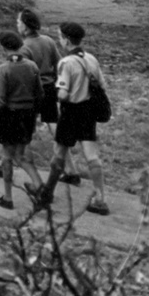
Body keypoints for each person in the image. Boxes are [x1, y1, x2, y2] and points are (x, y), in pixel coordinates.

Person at [35, 21, 110, 216]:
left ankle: (46, 194)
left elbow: (63, 95)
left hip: (70, 112)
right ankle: (100, 198)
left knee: (59, 153)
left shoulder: (66, 63)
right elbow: (102, 84)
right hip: (88, 112)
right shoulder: (91, 59)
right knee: (91, 155)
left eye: (59, 36)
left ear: (66, 40)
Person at [17, 8, 81, 184]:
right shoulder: (48, 41)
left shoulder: (24, 48)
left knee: (22, 128)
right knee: (54, 127)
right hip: (50, 87)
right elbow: (59, 62)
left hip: (34, 91)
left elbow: (25, 74)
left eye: (19, 22)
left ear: (26, 26)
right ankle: (71, 169)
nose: (17, 25)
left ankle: (10, 162)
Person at [0, 31, 44, 210]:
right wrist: (34, 115)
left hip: (9, 115)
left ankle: (7, 197)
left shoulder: (4, 69)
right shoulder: (32, 66)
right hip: (27, 115)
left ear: (3, 48)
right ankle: (39, 185)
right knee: (20, 156)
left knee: (7, 157)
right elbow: (40, 94)